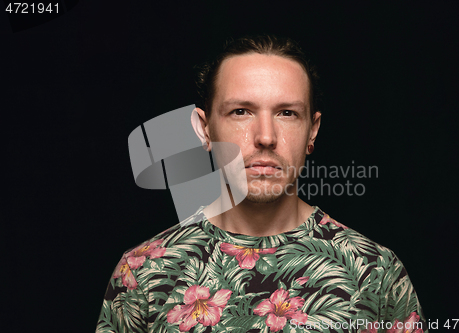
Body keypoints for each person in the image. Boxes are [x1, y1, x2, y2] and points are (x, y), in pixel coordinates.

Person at [96, 34, 428, 333]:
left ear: (312, 130)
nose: (265, 137)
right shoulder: (144, 272)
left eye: (287, 113)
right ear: (204, 128)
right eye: (241, 111)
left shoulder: (376, 273)